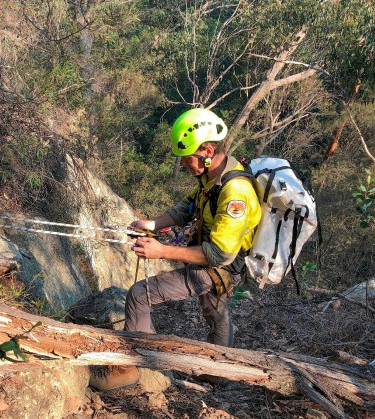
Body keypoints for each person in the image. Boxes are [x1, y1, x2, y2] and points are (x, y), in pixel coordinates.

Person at [89, 108, 261, 391]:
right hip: (216, 264)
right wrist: (153, 224)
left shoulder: (235, 191)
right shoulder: (213, 176)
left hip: (219, 265)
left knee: (138, 296)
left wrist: (161, 251)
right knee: (216, 313)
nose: (184, 164)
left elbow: (220, 254)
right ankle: (218, 370)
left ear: (207, 149)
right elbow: (187, 208)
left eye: (187, 158)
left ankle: (126, 369)